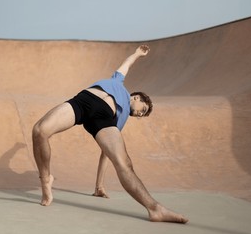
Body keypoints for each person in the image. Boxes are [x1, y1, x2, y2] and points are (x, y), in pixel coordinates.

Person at [32, 45, 188, 223]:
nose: (140, 115)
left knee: (123, 163)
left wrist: (99, 185)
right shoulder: (118, 82)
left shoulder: (120, 120)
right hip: (84, 102)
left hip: (105, 118)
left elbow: (105, 154)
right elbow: (126, 65)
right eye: (142, 110)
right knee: (39, 130)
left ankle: (155, 209)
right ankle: (46, 179)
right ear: (137, 97)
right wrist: (137, 54)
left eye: (143, 115)